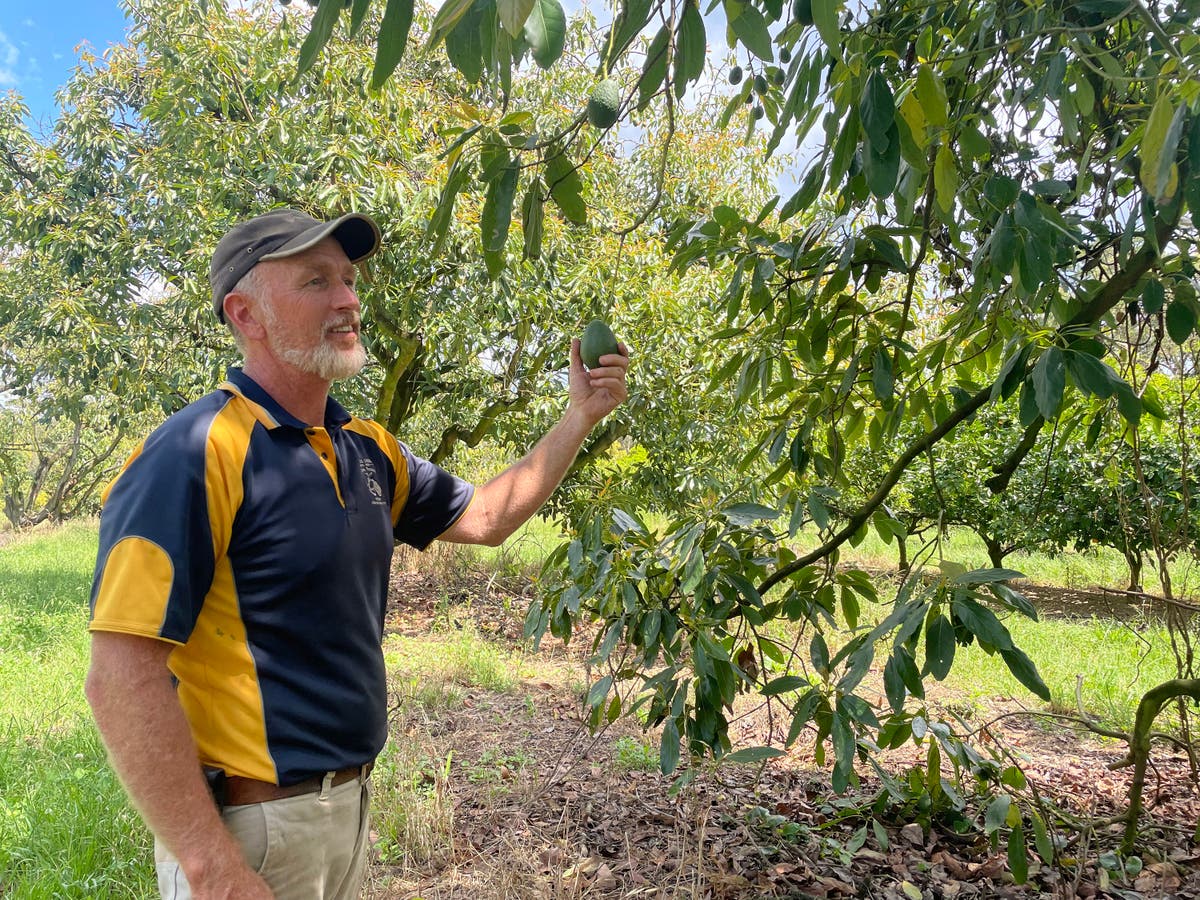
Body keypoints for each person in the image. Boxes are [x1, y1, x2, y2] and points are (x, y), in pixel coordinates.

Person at [84, 208, 630, 900]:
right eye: (316, 281)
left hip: (343, 811)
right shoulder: (195, 453)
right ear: (246, 314)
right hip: (252, 834)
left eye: (347, 279)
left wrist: (579, 415)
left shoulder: (366, 449)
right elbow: (120, 678)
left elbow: (488, 516)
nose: (348, 300)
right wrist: (211, 867)